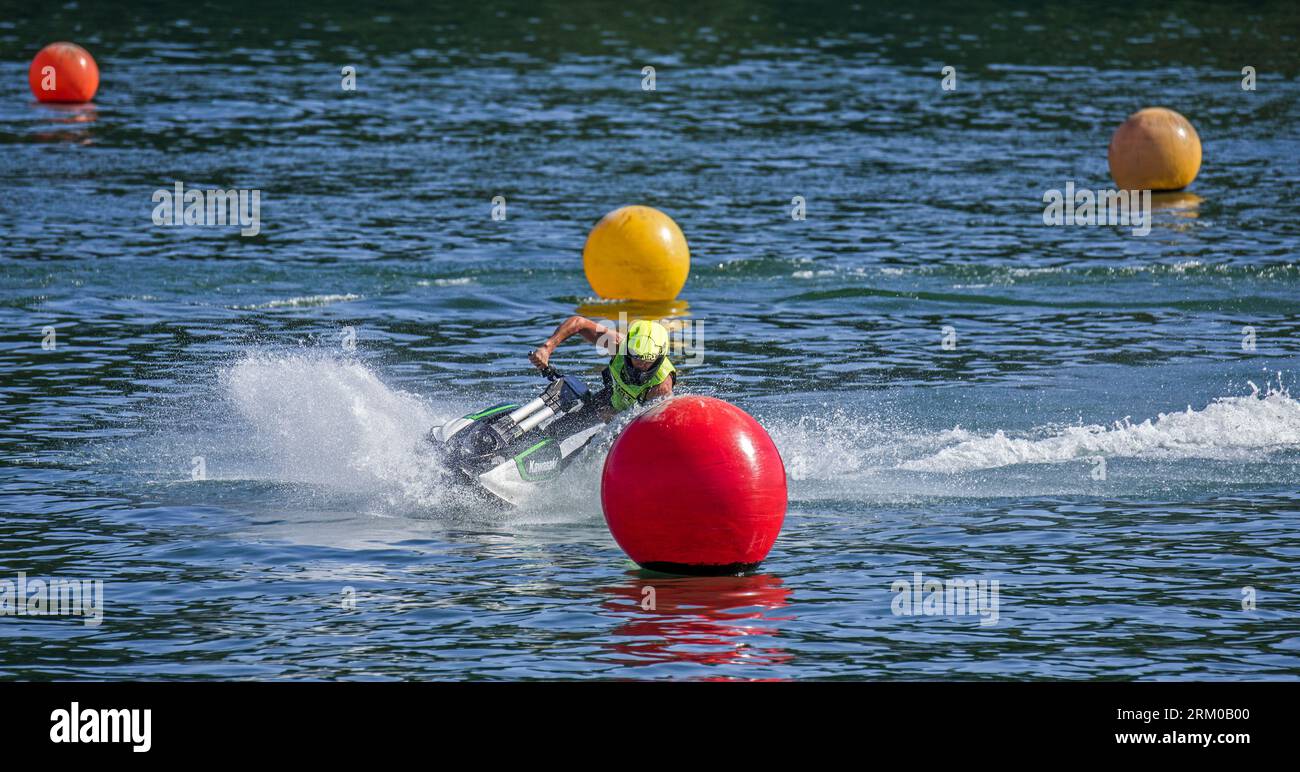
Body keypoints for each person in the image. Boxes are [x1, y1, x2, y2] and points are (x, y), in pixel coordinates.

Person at [530, 316, 676, 424]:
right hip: (609, 397)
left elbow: (648, 426)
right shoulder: (618, 345)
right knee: (560, 427)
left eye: (647, 361)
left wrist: (615, 417)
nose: (640, 365)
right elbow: (579, 323)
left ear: (659, 358)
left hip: (624, 421)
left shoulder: (661, 386)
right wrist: (547, 348)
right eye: (636, 358)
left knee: (584, 453)